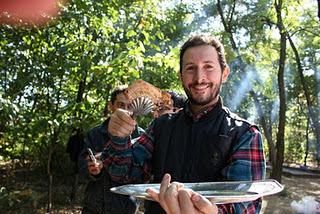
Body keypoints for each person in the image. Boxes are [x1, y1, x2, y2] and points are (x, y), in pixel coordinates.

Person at [100, 35, 266, 213]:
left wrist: (213, 212)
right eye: (190, 68)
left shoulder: (244, 134)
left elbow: (247, 203)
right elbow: (124, 176)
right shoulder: (160, 126)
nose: (199, 77)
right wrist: (119, 138)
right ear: (181, 76)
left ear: (224, 73)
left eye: (208, 67)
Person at [78, 86, 144, 214]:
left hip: (125, 209)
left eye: (129, 106)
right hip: (94, 208)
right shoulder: (95, 133)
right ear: (111, 106)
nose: (126, 110)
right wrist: (91, 169)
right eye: (121, 105)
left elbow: (143, 173)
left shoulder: (141, 137)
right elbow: (81, 164)